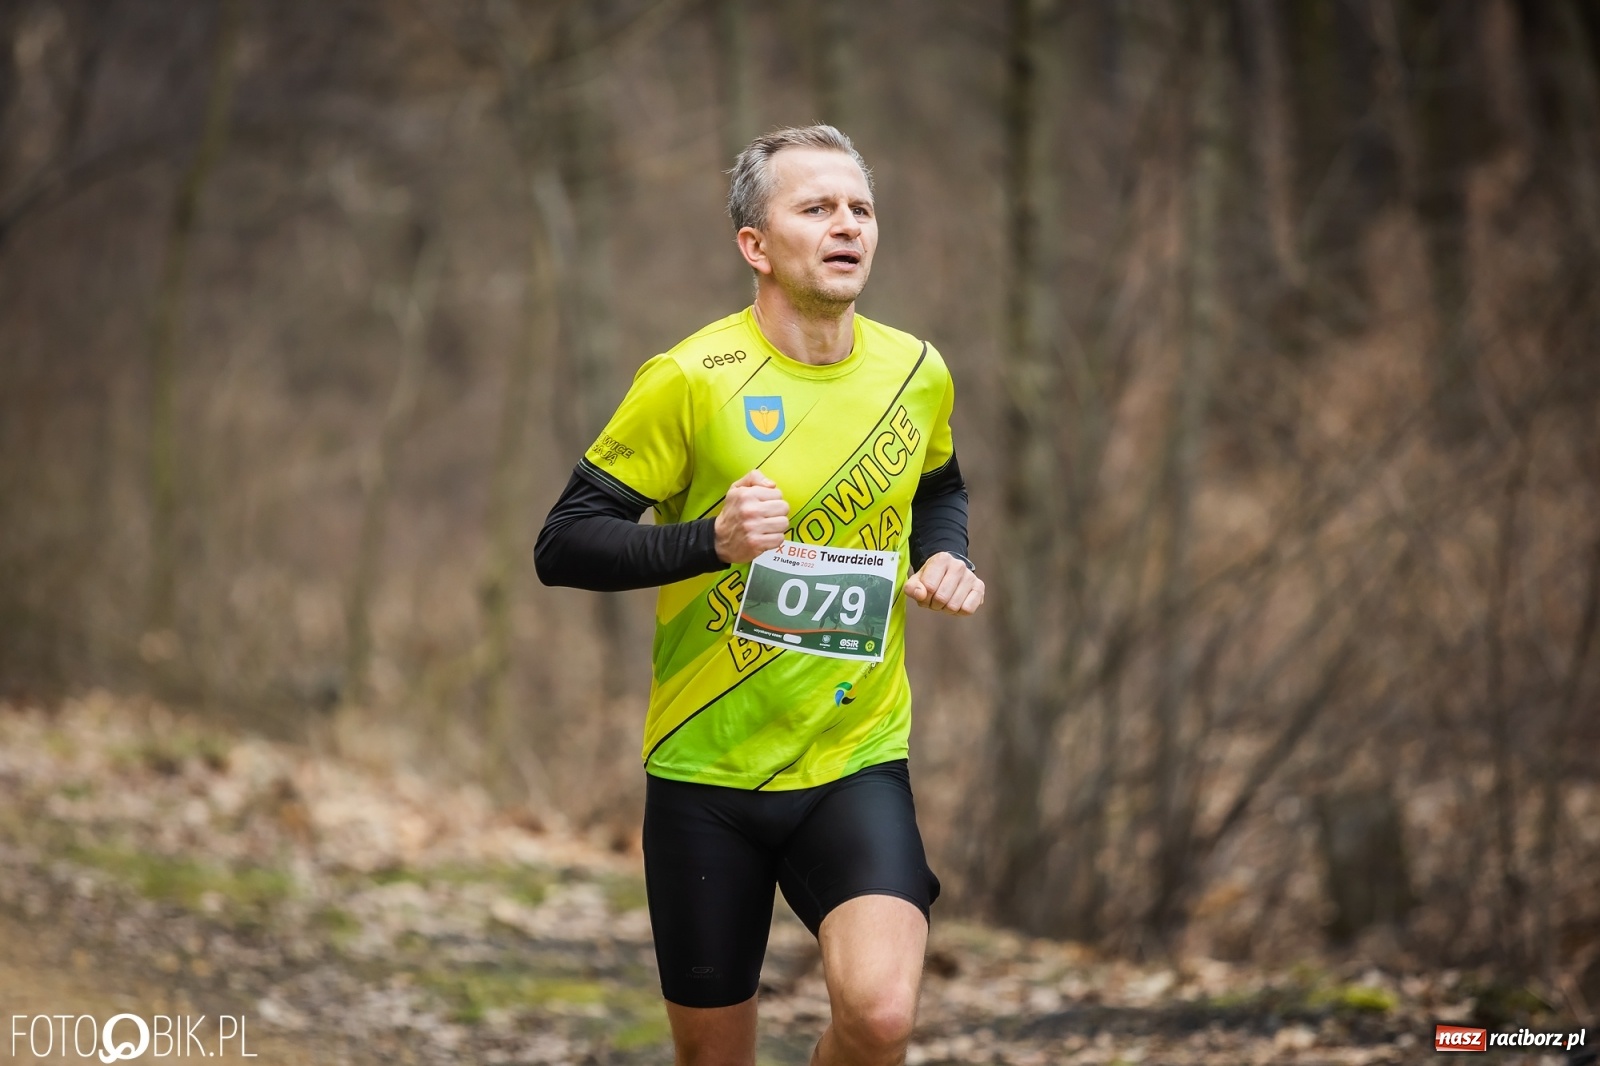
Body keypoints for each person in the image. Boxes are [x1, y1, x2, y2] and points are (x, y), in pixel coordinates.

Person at [535, 124, 983, 1066]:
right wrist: (709, 540)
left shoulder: (916, 373)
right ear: (755, 245)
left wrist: (945, 557)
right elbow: (563, 543)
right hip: (706, 771)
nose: (845, 225)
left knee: (882, 1019)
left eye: (860, 208)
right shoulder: (690, 378)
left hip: (855, 755)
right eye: (815, 208)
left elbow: (940, 486)